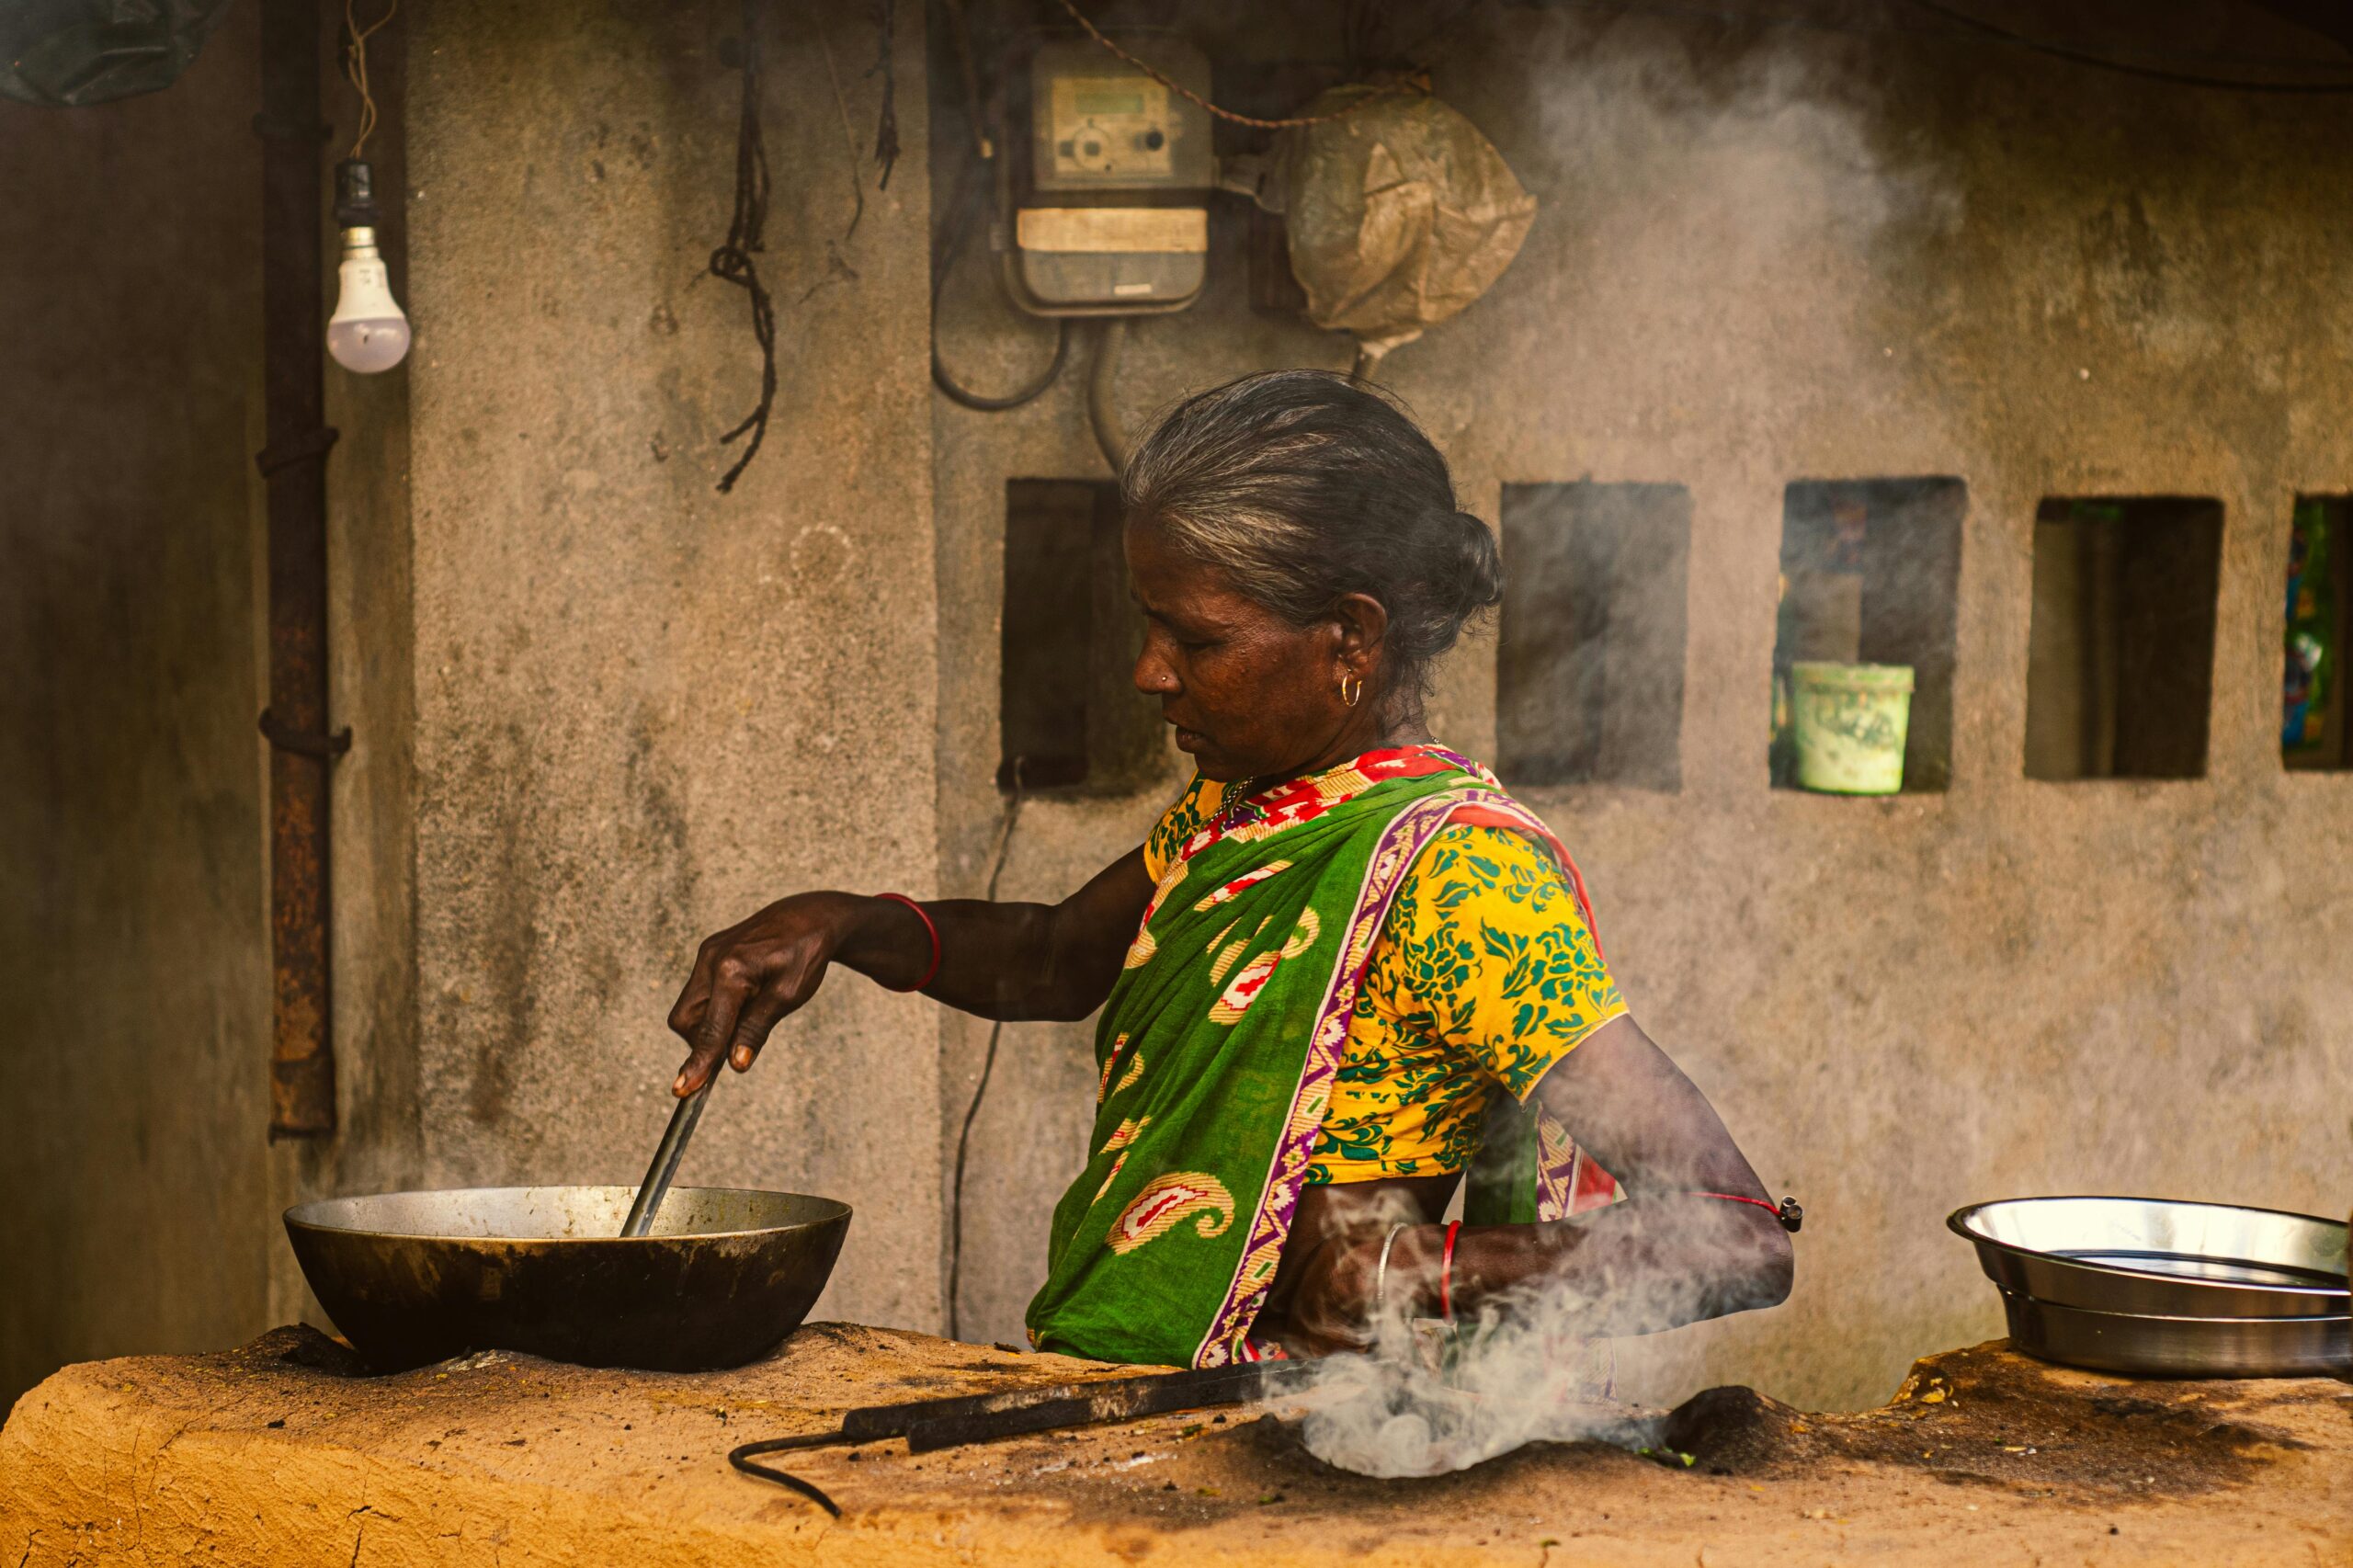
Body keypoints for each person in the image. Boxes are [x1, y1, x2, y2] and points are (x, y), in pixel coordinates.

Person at [667, 369, 1792, 1368]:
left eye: (1196, 639)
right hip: (1139, 1395)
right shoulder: (1243, 807)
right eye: (1150, 626)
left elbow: (1735, 1231)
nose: (1151, 672)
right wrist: (848, 922)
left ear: (1350, 635)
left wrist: (1406, 1275)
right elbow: (1060, 957)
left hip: (1314, 1452)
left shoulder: (1459, 880)